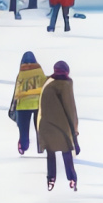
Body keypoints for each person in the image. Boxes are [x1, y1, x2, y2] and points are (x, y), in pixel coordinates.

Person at [37, 61, 79, 190]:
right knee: (66, 151)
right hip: (62, 127)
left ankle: (51, 179)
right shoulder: (65, 85)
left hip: (46, 125)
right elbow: (70, 109)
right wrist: (75, 131)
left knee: (51, 152)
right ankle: (72, 178)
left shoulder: (47, 82)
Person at [9, 53, 46, 155]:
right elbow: (44, 86)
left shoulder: (21, 73)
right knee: (39, 127)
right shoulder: (39, 71)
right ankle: (41, 147)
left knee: (24, 129)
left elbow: (17, 91)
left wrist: (14, 105)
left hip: (23, 105)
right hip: (37, 104)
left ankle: (24, 146)